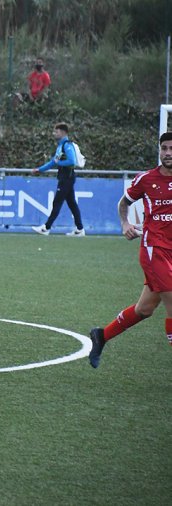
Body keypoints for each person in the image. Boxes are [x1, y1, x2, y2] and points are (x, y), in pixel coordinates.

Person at [88, 133, 172, 368]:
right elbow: (124, 203)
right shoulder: (146, 179)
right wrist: (125, 224)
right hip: (154, 249)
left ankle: (101, 335)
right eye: (164, 148)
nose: (167, 153)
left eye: (171, 149)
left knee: (144, 309)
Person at [31, 122, 85, 237]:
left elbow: (72, 161)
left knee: (57, 202)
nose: (54, 133)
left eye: (56, 131)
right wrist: (40, 170)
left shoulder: (67, 145)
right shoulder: (61, 146)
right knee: (72, 203)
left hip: (67, 178)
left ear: (63, 132)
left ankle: (46, 228)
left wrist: (58, 163)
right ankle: (80, 229)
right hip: (66, 178)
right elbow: (52, 162)